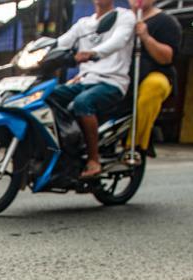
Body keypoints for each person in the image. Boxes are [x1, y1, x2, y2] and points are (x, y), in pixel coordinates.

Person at [48, 0, 136, 178]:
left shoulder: (124, 17)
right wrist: (36, 50)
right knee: (47, 96)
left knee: (82, 103)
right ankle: (65, 145)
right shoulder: (83, 24)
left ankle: (93, 159)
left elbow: (118, 41)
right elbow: (61, 42)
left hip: (111, 82)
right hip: (85, 80)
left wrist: (93, 53)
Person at [128, 0, 182, 159]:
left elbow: (166, 58)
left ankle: (136, 144)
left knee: (153, 86)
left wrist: (145, 37)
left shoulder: (166, 22)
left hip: (154, 74)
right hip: (122, 73)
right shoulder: (121, 19)